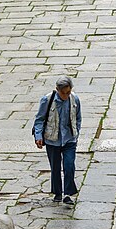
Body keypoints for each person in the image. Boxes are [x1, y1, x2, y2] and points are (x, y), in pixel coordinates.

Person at [33, 75, 82, 205]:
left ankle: (68, 193)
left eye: (68, 92)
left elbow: (78, 118)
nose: (66, 96)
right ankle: (57, 192)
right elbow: (39, 119)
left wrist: (76, 133)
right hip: (52, 139)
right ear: (57, 90)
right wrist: (38, 136)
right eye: (63, 93)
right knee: (55, 167)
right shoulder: (47, 100)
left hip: (69, 139)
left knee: (69, 165)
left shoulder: (74, 99)